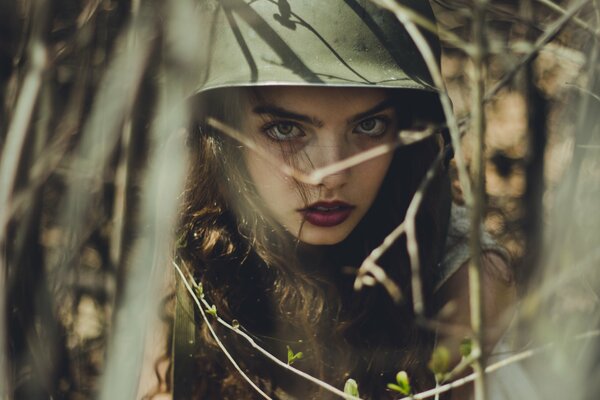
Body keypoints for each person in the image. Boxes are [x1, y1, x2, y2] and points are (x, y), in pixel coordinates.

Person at [138, 1, 517, 399]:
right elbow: (156, 388)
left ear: (408, 130)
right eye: (286, 129)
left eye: (369, 125)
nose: (332, 173)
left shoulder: (465, 281)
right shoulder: (198, 228)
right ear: (223, 136)